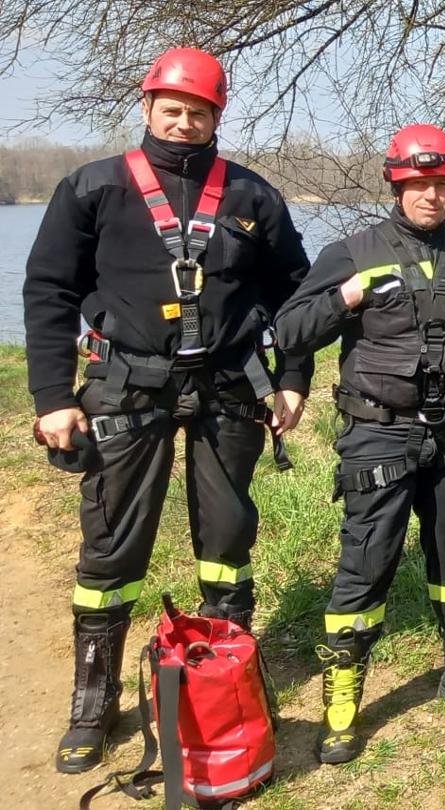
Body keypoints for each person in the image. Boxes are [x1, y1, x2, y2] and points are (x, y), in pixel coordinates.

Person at [24, 47, 311, 773]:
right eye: (172, 109)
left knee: (227, 536)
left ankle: (230, 681)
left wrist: (294, 379)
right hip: (127, 387)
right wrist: (54, 398)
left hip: (228, 388)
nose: (184, 123)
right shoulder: (93, 189)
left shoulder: (252, 197)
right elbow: (49, 293)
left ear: (217, 116)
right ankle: (94, 704)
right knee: (112, 548)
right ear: (148, 107)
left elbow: (298, 296)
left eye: (199, 113)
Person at [276, 124, 445, 764]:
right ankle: (344, 693)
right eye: (418, 184)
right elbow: (290, 329)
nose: (430, 196)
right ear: (396, 183)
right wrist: (348, 297)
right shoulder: (352, 251)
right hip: (378, 429)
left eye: (441, 184)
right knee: (367, 560)